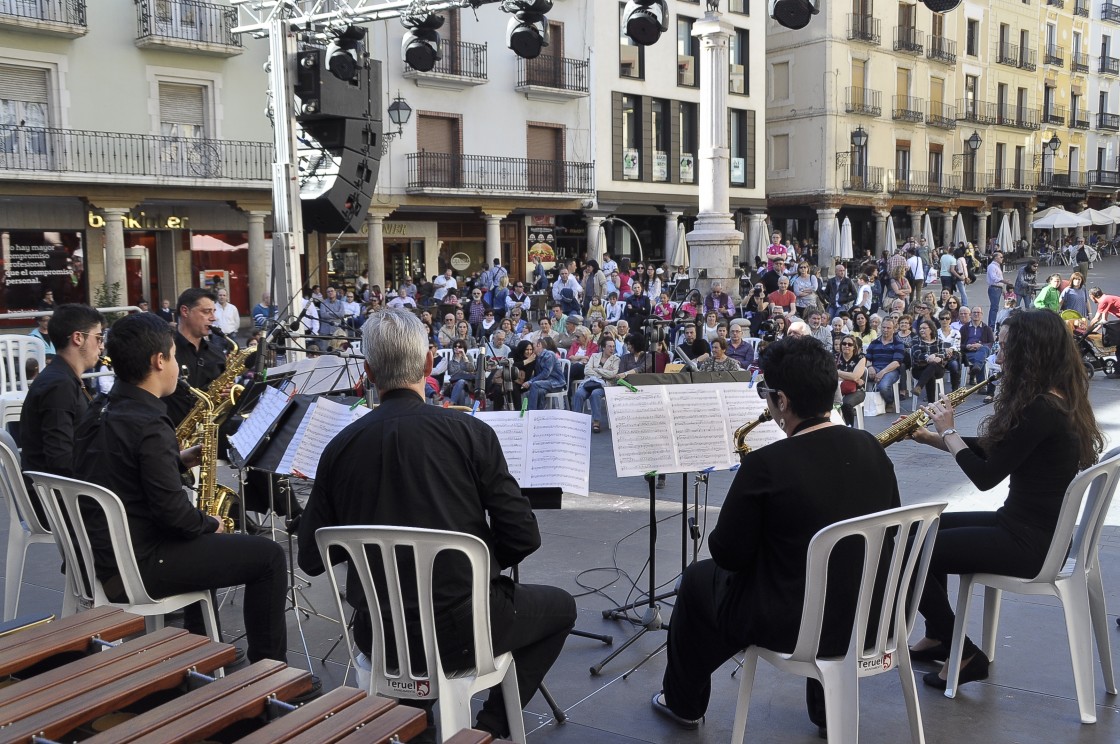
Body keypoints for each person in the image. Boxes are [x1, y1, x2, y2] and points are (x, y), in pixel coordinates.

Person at [297, 310, 575, 737]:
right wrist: (476, 561)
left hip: (380, 635)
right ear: (429, 364)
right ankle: (488, 728)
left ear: (369, 373)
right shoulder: (469, 433)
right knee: (562, 608)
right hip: (464, 631)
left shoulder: (338, 449)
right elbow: (523, 535)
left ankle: (411, 719)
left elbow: (312, 560)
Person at [651, 336, 901, 734]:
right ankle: (826, 710)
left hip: (795, 624)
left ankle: (682, 702)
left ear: (782, 401)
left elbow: (728, 554)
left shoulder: (766, 465)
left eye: (767, 394)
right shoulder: (870, 446)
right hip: (870, 619)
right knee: (824, 573)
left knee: (700, 580)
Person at [73, 312, 290, 666]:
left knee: (208, 543)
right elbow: (175, 517)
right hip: (139, 564)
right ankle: (270, 671)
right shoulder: (150, 422)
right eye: (173, 357)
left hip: (101, 556)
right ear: (159, 361)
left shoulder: (100, 408)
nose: (177, 365)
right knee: (268, 557)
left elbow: (117, 467)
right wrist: (211, 525)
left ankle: (200, 645)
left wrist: (175, 460)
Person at [907, 310, 1105, 689]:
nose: (997, 358)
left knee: (912, 553)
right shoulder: (1057, 400)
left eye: (1003, 349)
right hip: (1029, 529)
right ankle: (938, 635)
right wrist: (936, 439)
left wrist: (948, 432)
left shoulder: (1040, 409)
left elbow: (986, 477)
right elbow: (1005, 450)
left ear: (1028, 354)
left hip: (1028, 543)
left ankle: (963, 653)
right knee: (921, 528)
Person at [21, 304, 104, 503]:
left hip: (57, 495)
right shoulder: (60, 385)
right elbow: (60, 460)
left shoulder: (61, 378)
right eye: (98, 337)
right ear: (78, 338)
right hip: (57, 503)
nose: (102, 346)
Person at [166, 288, 228, 427]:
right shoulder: (165, 351)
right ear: (185, 311)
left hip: (210, 433)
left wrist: (227, 392)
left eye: (214, 311)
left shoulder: (216, 353)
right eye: (206, 312)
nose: (213, 318)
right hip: (172, 433)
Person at [571, 330, 620, 433]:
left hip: (605, 385)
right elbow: (587, 370)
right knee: (579, 393)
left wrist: (596, 369)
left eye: (613, 346)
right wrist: (602, 372)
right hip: (590, 382)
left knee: (595, 394)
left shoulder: (616, 359)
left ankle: (596, 422)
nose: (612, 349)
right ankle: (577, 420)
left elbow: (612, 374)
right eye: (609, 346)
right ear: (603, 347)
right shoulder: (594, 356)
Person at [864, 317, 905, 411]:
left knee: (883, 386)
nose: (885, 330)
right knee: (860, 377)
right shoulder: (874, 343)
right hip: (875, 368)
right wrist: (870, 367)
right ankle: (862, 403)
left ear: (894, 329)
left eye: (888, 328)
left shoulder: (898, 344)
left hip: (891, 370)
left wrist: (882, 372)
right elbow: (868, 358)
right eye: (883, 327)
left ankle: (890, 402)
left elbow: (897, 363)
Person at [522, 336, 566, 409]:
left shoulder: (549, 354)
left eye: (533, 344)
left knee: (535, 384)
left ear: (539, 345)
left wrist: (530, 382)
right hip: (545, 383)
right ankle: (540, 414)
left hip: (556, 383)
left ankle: (531, 412)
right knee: (539, 391)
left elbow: (545, 373)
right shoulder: (537, 357)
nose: (532, 347)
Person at [836, 335, 866, 426]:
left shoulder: (861, 358)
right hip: (837, 389)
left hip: (857, 391)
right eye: (844, 343)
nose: (846, 346)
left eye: (850, 344)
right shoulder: (835, 357)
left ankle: (849, 428)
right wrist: (851, 377)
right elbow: (828, 374)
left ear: (854, 347)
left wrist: (837, 372)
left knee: (846, 405)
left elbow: (855, 376)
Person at [961, 307, 994, 384]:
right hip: (969, 353)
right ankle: (981, 386)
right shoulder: (964, 328)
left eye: (978, 312)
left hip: (983, 351)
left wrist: (980, 345)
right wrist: (967, 346)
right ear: (970, 315)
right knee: (981, 360)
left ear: (981, 315)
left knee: (983, 350)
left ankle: (976, 368)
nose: (976, 314)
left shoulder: (987, 328)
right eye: (974, 312)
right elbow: (958, 343)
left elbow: (991, 343)